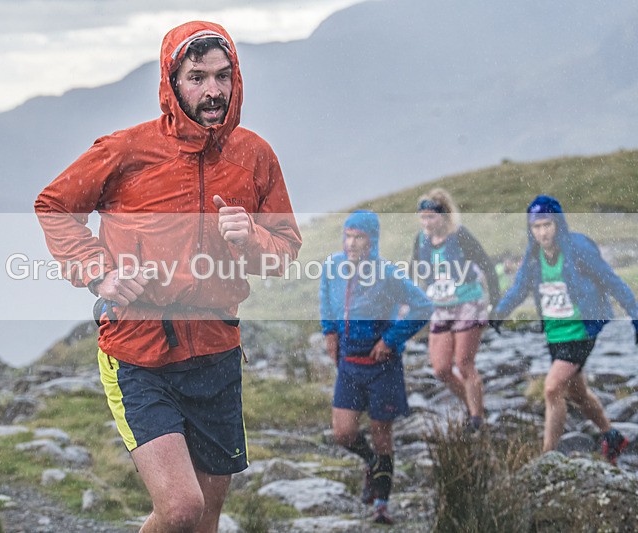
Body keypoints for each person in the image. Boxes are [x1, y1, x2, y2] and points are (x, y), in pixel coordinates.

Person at [35, 21, 301, 533]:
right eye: (197, 77)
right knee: (180, 509)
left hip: (216, 352)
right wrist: (98, 272)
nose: (213, 91)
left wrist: (251, 239)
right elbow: (54, 205)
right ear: (172, 82)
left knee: (205, 519)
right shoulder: (126, 150)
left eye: (222, 76)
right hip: (139, 352)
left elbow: (284, 251)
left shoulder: (255, 156)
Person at [492, 195, 638, 462]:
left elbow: (612, 281)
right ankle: (612, 436)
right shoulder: (533, 256)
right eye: (536, 227)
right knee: (577, 393)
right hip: (555, 333)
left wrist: (634, 315)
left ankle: (547, 457)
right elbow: (520, 288)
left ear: (558, 223)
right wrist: (499, 312)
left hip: (581, 330)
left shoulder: (578, 248)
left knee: (551, 389)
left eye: (547, 225)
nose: (542, 232)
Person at [320, 210, 432, 525]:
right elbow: (326, 299)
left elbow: (423, 306)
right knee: (343, 433)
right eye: (348, 236)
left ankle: (381, 505)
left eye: (359, 237)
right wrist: (329, 331)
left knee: (382, 435)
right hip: (349, 365)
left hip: (383, 367)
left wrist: (390, 340)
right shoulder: (332, 267)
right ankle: (370, 462)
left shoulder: (387, 274)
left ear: (372, 241)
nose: (351, 243)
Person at [412, 188, 500, 431]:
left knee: (463, 364)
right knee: (441, 369)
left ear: (444, 216)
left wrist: (495, 303)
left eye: (431, 217)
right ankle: (475, 408)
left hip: (467, 303)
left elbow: (487, 266)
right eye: (422, 217)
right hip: (440, 307)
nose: (426, 223)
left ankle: (476, 419)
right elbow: (414, 272)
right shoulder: (421, 240)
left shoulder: (460, 236)